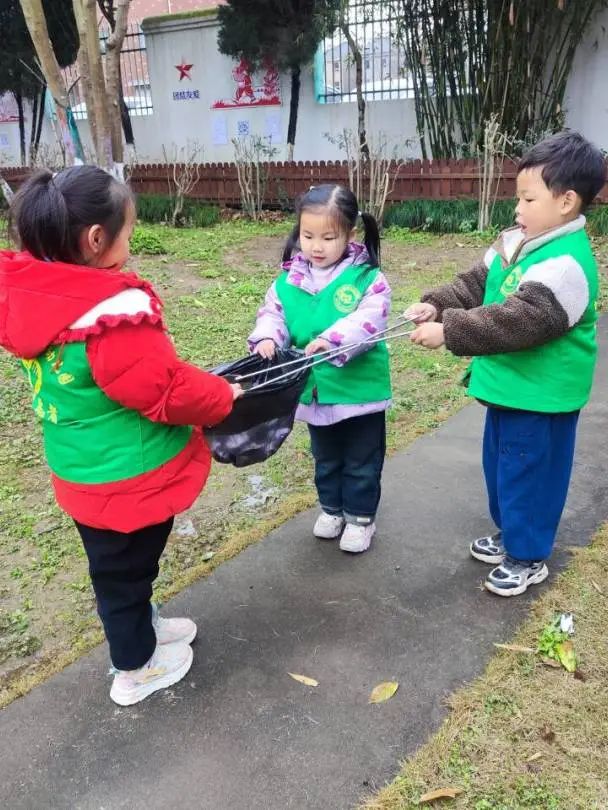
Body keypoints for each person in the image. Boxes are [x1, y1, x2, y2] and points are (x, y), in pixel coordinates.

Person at [0, 166, 242, 705]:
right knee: (123, 574)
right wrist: (222, 396)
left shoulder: (36, 297)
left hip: (81, 469)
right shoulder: (108, 315)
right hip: (128, 475)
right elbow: (164, 389)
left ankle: (141, 626)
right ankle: (135, 666)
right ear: (96, 239)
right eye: (128, 232)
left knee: (122, 568)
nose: (130, 244)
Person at [406, 131, 607, 596]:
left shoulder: (566, 265)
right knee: (502, 468)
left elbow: (519, 321)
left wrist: (449, 330)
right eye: (518, 197)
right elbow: (476, 283)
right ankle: (511, 535)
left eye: (528, 198)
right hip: (510, 388)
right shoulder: (517, 241)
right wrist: (436, 304)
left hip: (542, 397)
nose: (517, 208)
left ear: (566, 202)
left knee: (530, 476)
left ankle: (528, 555)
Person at [249, 184, 392, 553]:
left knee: (361, 459)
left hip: (359, 391)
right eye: (308, 235)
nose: (316, 246)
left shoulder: (368, 279)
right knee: (325, 457)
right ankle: (332, 508)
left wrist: (333, 340)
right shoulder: (288, 280)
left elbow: (369, 321)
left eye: (328, 238)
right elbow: (273, 315)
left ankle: (360, 518)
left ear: (350, 234)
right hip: (315, 392)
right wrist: (267, 338)